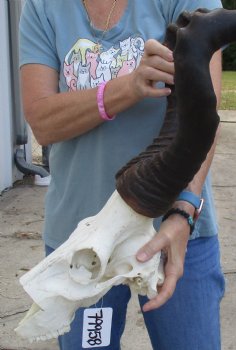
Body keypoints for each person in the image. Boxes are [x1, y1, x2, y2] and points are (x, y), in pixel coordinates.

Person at [19, 0, 224, 349]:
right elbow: (43, 122)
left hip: (173, 231)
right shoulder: (42, 6)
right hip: (84, 242)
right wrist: (127, 89)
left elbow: (203, 116)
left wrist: (185, 210)